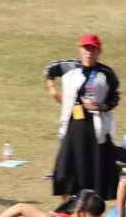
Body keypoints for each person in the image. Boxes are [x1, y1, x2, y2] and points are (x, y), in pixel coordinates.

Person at [44, 34, 121, 200]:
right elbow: (49, 70)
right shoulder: (70, 67)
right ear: (80, 50)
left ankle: (92, 211)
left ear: (99, 51)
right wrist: (53, 90)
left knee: (95, 171)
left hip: (96, 128)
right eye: (86, 49)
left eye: (93, 49)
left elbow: (115, 99)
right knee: (65, 169)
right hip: (73, 126)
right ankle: (67, 208)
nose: (89, 53)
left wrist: (100, 106)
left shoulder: (106, 74)